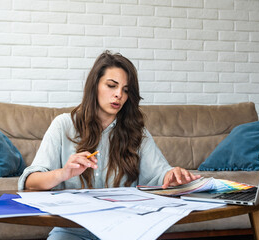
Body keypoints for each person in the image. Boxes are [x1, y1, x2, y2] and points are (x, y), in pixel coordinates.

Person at [18, 50, 201, 239]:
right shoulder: (63, 125)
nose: (119, 95)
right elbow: (30, 183)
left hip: (125, 229)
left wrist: (172, 175)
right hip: (72, 229)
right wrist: (63, 173)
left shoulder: (137, 132)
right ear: (94, 86)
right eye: (111, 86)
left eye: (126, 90)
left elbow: (159, 175)